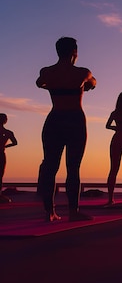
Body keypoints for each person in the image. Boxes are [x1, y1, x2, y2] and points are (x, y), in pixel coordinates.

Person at [36, 37, 96, 221]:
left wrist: (55, 85)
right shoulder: (82, 73)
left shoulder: (47, 71)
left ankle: (50, 212)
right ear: (74, 52)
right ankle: (73, 211)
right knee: (73, 167)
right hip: (74, 119)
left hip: (54, 119)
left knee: (50, 166)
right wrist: (82, 85)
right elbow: (93, 83)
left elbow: (40, 83)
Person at [0, 113, 18, 204]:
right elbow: (15, 143)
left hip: (1, 153)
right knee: (0, 174)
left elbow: (15, 143)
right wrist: (5, 146)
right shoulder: (8, 132)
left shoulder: (8, 132)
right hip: (1, 153)